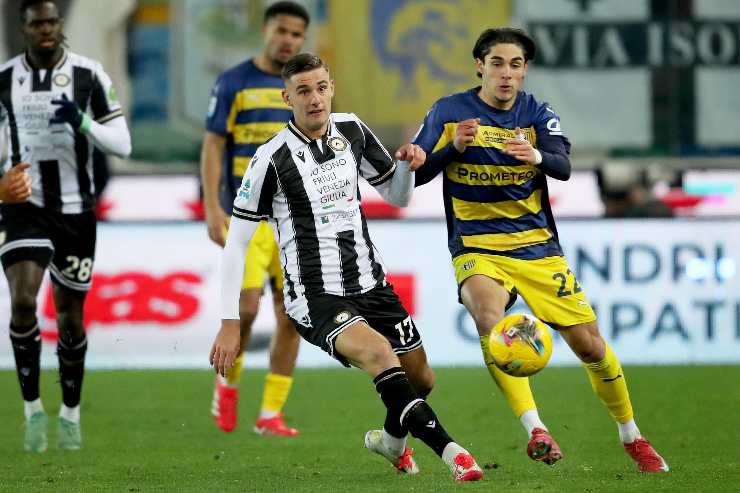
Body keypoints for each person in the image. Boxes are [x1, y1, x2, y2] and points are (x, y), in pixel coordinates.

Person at [210, 53, 483, 481]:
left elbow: (397, 196)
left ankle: (391, 442)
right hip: (315, 296)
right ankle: (454, 453)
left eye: (321, 88)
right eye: (303, 91)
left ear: (332, 88)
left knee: (420, 379)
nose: (315, 99)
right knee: (379, 354)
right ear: (287, 98)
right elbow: (236, 244)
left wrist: (407, 166)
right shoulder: (270, 159)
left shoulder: (352, 130)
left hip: (371, 283)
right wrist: (230, 323)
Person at [412, 27, 669, 473]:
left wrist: (535, 156)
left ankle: (632, 436)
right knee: (489, 319)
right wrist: (451, 149)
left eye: (515, 65)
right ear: (479, 66)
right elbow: (415, 174)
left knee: (590, 346)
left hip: (537, 248)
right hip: (477, 246)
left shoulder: (537, 113)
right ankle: (536, 429)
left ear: (525, 70)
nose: (506, 74)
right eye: (497, 63)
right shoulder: (449, 111)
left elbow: (563, 167)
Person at [0, 0, 131, 452]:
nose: (46, 29)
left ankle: (70, 415)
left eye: (52, 21)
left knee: (70, 318)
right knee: (22, 302)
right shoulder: (4, 80)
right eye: (37, 23)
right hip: (24, 208)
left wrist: (83, 121)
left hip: (76, 213)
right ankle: (32, 411)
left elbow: (123, 143)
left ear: (60, 24)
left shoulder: (89, 75)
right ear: (24, 29)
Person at [200, 1, 309, 436]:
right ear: (265, 30)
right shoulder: (235, 82)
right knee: (244, 309)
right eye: (282, 31)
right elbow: (213, 144)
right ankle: (227, 387)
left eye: (296, 34)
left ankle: (270, 414)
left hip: (293, 222)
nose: (288, 40)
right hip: (246, 216)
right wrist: (212, 206)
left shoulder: (304, 87)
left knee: (292, 317)